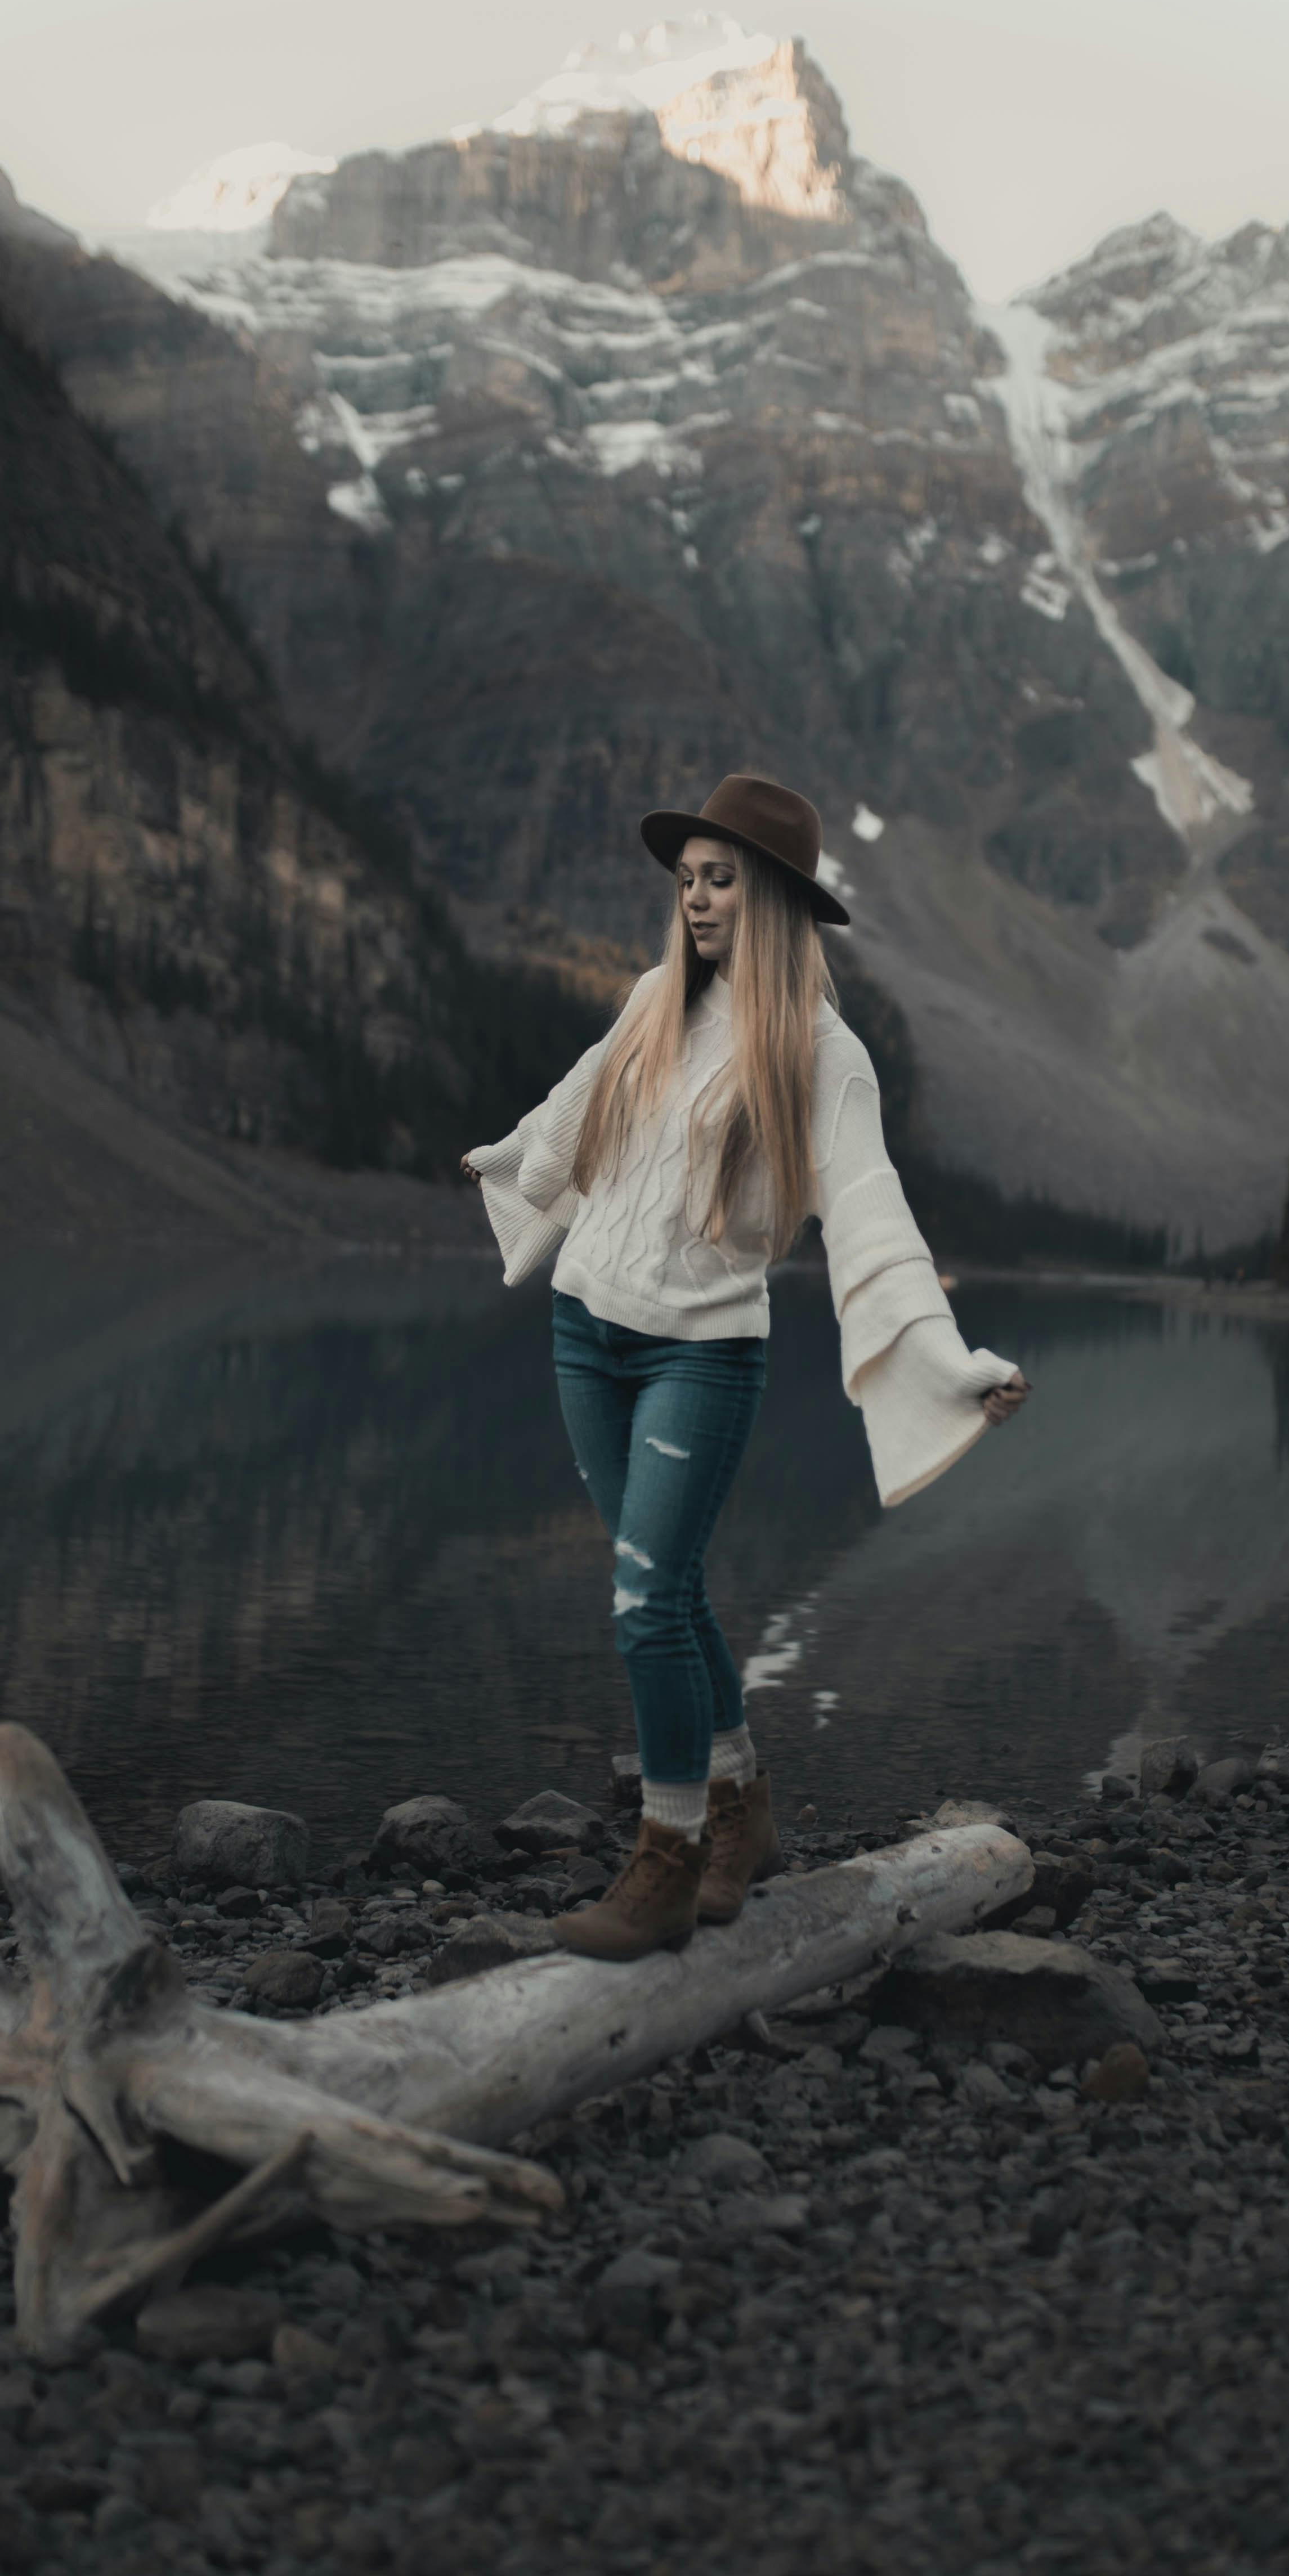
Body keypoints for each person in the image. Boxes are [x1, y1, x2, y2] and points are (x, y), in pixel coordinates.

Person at [462, 775, 1030, 1961]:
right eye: (687, 880)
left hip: (701, 1352)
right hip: (584, 1332)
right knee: (662, 1589)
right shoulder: (649, 1001)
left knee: (643, 1604)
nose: (697, 899)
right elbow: (567, 1120)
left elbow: (874, 1221)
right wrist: (510, 1155)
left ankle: (662, 1857)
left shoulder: (825, 1056)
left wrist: (947, 1359)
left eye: (720, 878)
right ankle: (741, 1807)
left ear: (772, 896)